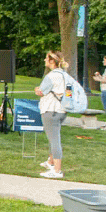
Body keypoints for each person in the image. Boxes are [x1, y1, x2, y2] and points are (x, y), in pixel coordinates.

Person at [33, 50, 69, 179]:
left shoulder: (51, 76)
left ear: (52, 61)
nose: (44, 60)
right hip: (62, 110)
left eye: (46, 58)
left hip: (50, 110)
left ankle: (57, 171)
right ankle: (50, 162)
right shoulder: (65, 75)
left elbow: (41, 92)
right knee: (54, 136)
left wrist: (37, 90)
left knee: (54, 140)